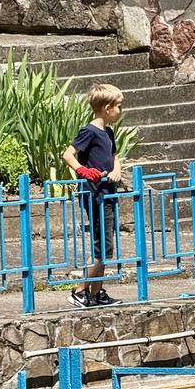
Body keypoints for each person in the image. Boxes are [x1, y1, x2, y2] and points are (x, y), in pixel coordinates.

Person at [62, 83, 124, 308]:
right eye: (118, 106)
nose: (120, 110)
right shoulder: (89, 131)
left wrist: (117, 170)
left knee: (105, 247)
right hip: (95, 194)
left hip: (108, 193)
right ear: (107, 108)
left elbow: (115, 156)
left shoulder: (108, 132)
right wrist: (83, 171)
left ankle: (97, 293)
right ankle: (80, 291)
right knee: (102, 248)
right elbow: (68, 155)